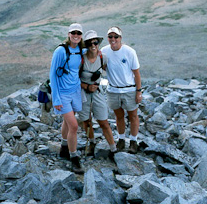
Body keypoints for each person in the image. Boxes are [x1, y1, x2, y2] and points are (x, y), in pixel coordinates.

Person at [50, 23, 85, 174]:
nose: (76, 35)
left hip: (75, 91)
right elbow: (52, 74)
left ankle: (64, 148)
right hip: (63, 94)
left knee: (67, 121)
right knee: (74, 126)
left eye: (78, 33)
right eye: (73, 33)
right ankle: (74, 158)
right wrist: (56, 99)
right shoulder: (60, 51)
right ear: (69, 34)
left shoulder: (80, 50)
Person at [101, 26, 142, 154]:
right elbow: (103, 67)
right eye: (110, 37)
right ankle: (121, 139)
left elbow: (136, 73)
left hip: (129, 89)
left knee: (133, 116)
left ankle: (134, 141)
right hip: (113, 90)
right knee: (119, 116)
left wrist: (138, 91)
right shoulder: (104, 51)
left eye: (116, 37)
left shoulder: (129, 52)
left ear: (120, 38)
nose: (113, 39)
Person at [77, 30, 117, 159]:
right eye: (90, 43)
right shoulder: (80, 60)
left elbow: (106, 69)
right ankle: (92, 143)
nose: (93, 45)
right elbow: (73, 80)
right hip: (83, 93)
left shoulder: (102, 57)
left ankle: (113, 149)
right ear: (86, 45)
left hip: (98, 92)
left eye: (95, 42)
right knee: (87, 121)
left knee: (103, 121)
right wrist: (86, 86)